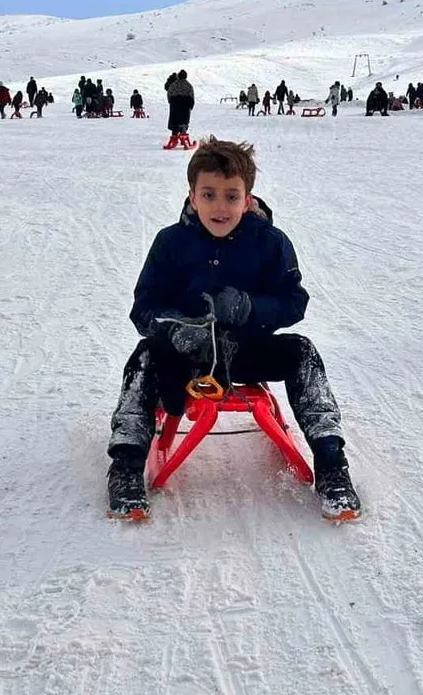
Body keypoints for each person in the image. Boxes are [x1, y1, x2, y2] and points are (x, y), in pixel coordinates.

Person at [105, 137, 362, 521]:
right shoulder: (171, 243)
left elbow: (294, 301)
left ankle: (331, 463)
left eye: (231, 195)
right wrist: (174, 328)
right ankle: (125, 465)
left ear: (248, 198)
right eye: (209, 194)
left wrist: (251, 307)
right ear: (192, 197)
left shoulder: (270, 243)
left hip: (245, 351)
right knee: (143, 359)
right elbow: (144, 307)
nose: (220, 206)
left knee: (302, 352)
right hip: (185, 352)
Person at [166, 69, 194, 145]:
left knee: (174, 121)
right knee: (184, 121)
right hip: (185, 105)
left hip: (174, 105)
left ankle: (174, 136)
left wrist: (171, 102)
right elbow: (191, 96)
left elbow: (169, 93)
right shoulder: (189, 85)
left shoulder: (173, 85)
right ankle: (183, 136)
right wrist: (191, 105)